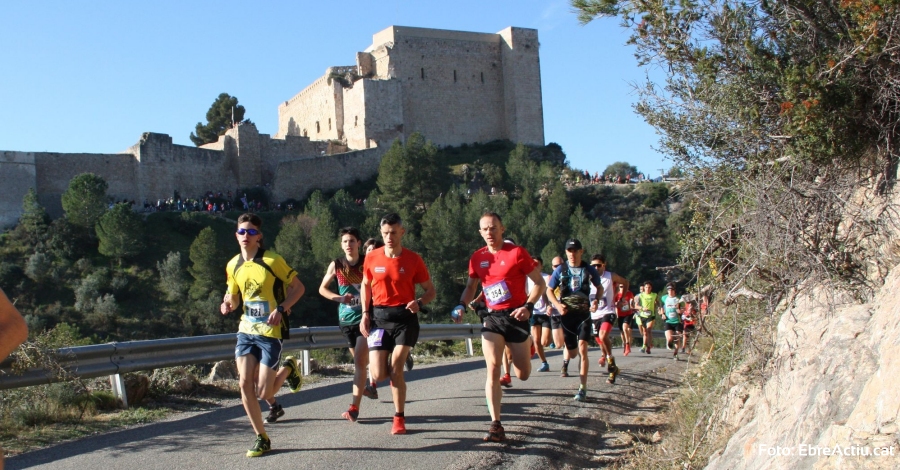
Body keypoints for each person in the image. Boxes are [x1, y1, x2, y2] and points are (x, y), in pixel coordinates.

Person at [220, 213, 306, 457]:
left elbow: (298, 288)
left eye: (251, 232)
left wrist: (281, 308)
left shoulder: (273, 260)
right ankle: (262, 437)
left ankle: (288, 367)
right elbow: (235, 298)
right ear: (236, 235)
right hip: (246, 331)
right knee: (244, 383)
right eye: (241, 232)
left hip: (271, 331)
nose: (245, 236)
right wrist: (228, 305)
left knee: (264, 393)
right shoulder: (232, 265)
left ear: (259, 236)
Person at [456, 212, 545, 441]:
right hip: (493, 318)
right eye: (485, 229)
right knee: (493, 368)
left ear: (502, 229)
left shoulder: (516, 253)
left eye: (493, 228)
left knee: (523, 374)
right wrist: (462, 305)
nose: (489, 233)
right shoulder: (477, 257)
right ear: (480, 232)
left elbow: (539, 283)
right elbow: (470, 287)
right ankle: (496, 425)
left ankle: (526, 347)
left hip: (517, 316)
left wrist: (528, 306)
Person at [360, 213, 436, 434]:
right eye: (385, 233)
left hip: (405, 319)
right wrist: (365, 313)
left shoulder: (413, 259)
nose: (389, 237)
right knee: (379, 375)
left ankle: (399, 418)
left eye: (393, 232)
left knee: (395, 370)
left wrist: (419, 302)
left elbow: (430, 291)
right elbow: (365, 285)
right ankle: (396, 357)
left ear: (402, 232)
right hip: (380, 319)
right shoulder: (372, 257)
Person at [319, 227, 374, 422]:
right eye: (345, 242)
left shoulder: (368, 262)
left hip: (366, 319)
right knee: (361, 363)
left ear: (359, 243)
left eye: (352, 241)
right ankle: (368, 385)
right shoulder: (336, 265)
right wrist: (339, 298)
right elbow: (322, 289)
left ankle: (354, 407)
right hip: (346, 320)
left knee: (359, 361)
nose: (348, 245)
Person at [546, 239, 602, 402]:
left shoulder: (589, 269)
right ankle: (571, 354)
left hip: (583, 314)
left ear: (581, 252)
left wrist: (596, 301)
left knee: (583, 348)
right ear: (566, 253)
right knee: (572, 353)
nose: (572, 254)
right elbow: (549, 290)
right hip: (567, 316)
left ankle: (583, 388)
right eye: (569, 251)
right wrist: (557, 305)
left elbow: (599, 288)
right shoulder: (561, 270)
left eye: (575, 250)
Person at [588, 255, 628, 385]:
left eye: (598, 265)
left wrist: (621, 299)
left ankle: (610, 361)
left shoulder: (611, 276)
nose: (595, 267)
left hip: (608, 312)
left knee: (603, 335)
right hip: (594, 315)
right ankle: (613, 369)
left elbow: (625, 282)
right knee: (600, 341)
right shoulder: (587, 277)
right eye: (593, 265)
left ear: (604, 265)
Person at [528, 255, 553, 372]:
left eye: (537, 264)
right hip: (534, 312)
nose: (534, 266)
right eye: (532, 264)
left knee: (545, 341)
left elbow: (552, 292)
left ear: (541, 266)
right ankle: (544, 363)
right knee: (537, 340)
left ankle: (552, 338)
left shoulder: (547, 277)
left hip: (546, 313)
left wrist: (550, 305)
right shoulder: (526, 278)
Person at [547, 256, 566, 369]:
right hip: (555, 313)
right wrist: (548, 306)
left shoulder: (569, 277)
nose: (558, 268)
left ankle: (565, 364)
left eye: (560, 265)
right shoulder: (550, 279)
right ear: (552, 267)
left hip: (566, 313)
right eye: (555, 266)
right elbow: (545, 295)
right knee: (558, 344)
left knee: (568, 340)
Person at [660, 283, 685, 360]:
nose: (670, 291)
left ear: (674, 290)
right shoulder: (664, 298)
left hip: (677, 321)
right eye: (668, 290)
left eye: (671, 289)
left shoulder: (678, 299)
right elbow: (661, 307)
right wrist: (662, 314)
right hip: (668, 321)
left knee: (677, 338)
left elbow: (683, 309)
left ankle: (676, 353)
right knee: (670, 338)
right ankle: (669, 343)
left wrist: (680, 311)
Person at [635, 281, 660, 354]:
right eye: (646, 287)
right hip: (642, 315)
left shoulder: (654, 295)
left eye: (649, 287)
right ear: (644, 288)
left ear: (651, 288)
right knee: (645, 332)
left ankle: (648, 347)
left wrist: (659, 308)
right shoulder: (640, 296)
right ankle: (643, 346)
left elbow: (657, 302)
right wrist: (642, 308)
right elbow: (636, 306)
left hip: (651, 316)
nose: (647, 289)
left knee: (649, 330)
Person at [614, 283, 636, 356]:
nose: (622, 288)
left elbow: (632, 300)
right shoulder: (616, 294)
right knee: (622, 332)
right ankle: (624, 343)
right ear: (618, 287)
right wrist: (617, 304)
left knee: (625, 327)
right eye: (621, 286)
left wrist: (632, 304)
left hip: (628, 314)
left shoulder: (629, 293)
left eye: (624, 286)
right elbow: (614, 304)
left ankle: (627, 344)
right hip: (620, 315)